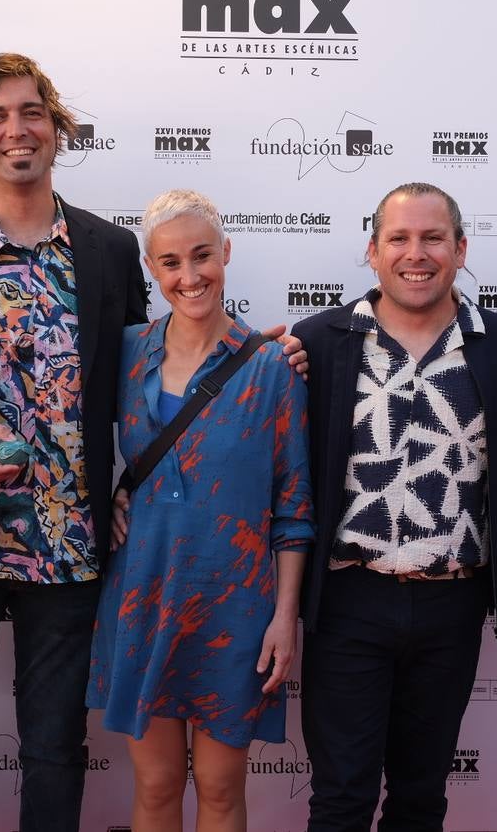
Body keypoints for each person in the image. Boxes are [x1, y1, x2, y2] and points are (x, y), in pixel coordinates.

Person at [0, 53, 305, 832]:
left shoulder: (103, 251)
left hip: (71, 546)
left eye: (31, 111)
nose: (15, 129)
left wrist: (257, 362)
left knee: (56, 752)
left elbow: (155, 363)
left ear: (56, 128)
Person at [293, 182, 497, 831]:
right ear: (372, 251)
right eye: (399, 238)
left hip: (450, 607)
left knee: (421, 798)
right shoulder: (319, 342)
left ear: (460, 249)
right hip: (347, 605)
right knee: (341, 798)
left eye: (433, 238)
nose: (416, 253)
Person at [88, 190, 313, 832]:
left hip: (236, 604)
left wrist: (284, 618)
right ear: (152, 272)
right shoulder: (126, 351)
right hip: (143, 593)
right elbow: (69, 439)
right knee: (156, 786)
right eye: (169, 263)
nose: (189, 277)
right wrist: (105, 500)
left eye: (202, 256)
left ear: (227, 253)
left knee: (219, 788)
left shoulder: (273, 366)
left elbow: (295, 508)